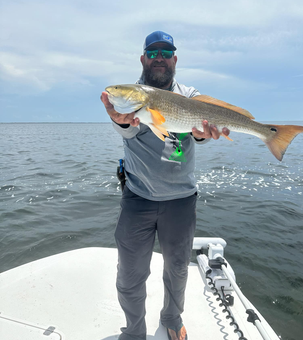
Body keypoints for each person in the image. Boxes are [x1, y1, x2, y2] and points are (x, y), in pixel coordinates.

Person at [101, 31, 230, 340]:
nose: (159, 58)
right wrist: (120, 120)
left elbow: (199, 130)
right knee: (130, 273)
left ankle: (172, 318)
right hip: (138, 198)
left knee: (178, 270)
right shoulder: (132, 98)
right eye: (153, 52)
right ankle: (134, 331)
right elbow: (127, 129)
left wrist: (202, 132)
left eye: (166, 52)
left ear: (174, 59)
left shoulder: (189, 94)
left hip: (181, 201)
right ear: (144, 59)